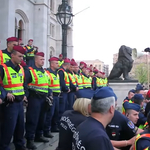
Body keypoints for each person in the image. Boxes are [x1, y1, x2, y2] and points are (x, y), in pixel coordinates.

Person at [0, 45, 27, 150]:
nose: (21, 59)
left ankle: (20, 146)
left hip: (20, 102)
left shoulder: (21, 68)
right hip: (9, 104)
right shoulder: (3, 68)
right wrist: (5, 93)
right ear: (12, 55)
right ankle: (4, 146)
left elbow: (22, 84)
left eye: (22, 57)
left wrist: (24, 95)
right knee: (8, 127)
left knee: (20, 127)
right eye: (19, 56)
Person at [25, 52, 50, 149]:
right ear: (36, 60)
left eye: (44, 59)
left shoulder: (44, 72)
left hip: (44, 98)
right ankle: (30, 139)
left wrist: (50, 93)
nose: (43, 61)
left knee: (42, 118)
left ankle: (39, 135)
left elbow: (47, 85)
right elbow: (25, 84)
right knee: (32, 119)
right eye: (41, 59)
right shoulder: (30, 70)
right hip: (34, 98)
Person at [44, 57, 60, 137]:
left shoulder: (56, 73)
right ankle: (47, 130)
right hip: (51, 96)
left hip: (57, 96)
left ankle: (54, 127)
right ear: (52, 64)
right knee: (50, 114)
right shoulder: (47, 73)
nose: (58, 64)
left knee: (56, 113)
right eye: (56, 63)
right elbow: (47, 85)